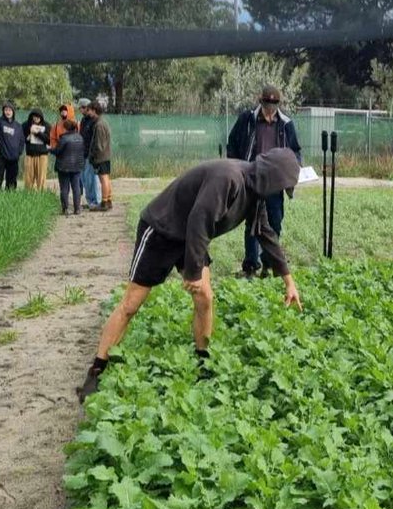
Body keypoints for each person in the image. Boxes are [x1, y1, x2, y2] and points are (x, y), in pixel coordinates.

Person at [77, 149, 303, 401]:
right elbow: (199, 219)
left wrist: (289, 282)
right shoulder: (229, 178)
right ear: (272, 178)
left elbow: (265, 234)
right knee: (131, 305)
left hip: (191, 239)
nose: (278, 193)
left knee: (205, 297)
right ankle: (96, 370)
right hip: (161, 231)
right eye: (281, 187)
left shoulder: (255, 193)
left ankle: (202, 362)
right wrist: (194, 272)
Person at [226, 85, 302, 276]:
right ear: (260, 101)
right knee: (252, 224)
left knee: (275, 223)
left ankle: (269, 264)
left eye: (274, 104)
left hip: (274, 182)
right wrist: (237, 169)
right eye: (267, 103)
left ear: (279, 103)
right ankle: (251, 266)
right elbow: (232, 143)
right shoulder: (247, 119)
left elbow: (295, 151)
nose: (270, 107)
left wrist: (294, 170)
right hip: (252, 179)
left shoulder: (285, 124)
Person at [0, 101, 24, 189]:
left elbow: (22, 140)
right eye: (6, 110)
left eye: (10, 110)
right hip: (0, 156)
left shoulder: (18, 126)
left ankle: (10, 199)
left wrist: (19, 152)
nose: (8, 112)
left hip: (13, 158)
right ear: (3, 111)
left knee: (11, 183)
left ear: (13, 112)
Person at [52, 118, 85, 214]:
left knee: (64, 188)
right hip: (77, 166)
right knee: (76, 188)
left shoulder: (64, 138)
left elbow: (58, 151)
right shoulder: (80, 137)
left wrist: (50, 149)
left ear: (65, 128)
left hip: (63, 167)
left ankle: (65, 208)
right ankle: (77, 208)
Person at [87, 100, 113, 211]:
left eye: (89, 110)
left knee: (104, 179)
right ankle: (109, 200)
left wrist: (92, 156)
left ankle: (104, 202)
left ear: (94, 110)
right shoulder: (103, 122)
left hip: (101, 157)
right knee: (106, 178)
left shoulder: (99, 124)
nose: (88, 113)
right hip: (105, 156)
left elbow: (99, 144)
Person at [78, 102, 100, 210]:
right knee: (84, 178)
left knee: (92, 178)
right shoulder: (83, 121)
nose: (81, 109)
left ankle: (96, 201)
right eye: (80, 107)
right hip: (83, 153)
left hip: (91, 155)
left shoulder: (94, 121)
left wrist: (93, 154)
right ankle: (89, 200)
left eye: (84, 107)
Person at [22, 109, 50, 190]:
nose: (36, 118)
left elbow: (49, 140)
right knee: (28, 177)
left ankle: (41, 194)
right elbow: (21, 138)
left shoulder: (46, 126)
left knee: (41, 177)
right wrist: (29, 135)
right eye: (34, 116)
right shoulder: (26, 125)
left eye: (38, 116)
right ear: (31, 117)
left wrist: (38, 133)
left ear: (41, 117)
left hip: (42, 154)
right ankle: (28, 194)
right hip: (30, 154)